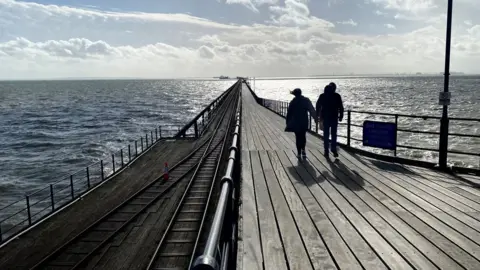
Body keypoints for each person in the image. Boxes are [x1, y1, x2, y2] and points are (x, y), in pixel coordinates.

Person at [286, 88, 317, 158]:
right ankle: (303, 149)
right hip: (304, 121)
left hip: (296, 121)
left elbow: (289, 113)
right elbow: (311, 109)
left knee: (298, 137)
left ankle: (299, 152)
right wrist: (315, 118)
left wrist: (287, 122)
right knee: (303, 136)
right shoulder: (306, 100)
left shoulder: (293, 102)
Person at [316, 82, 344, 158]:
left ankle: (326, 150)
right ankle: (333, 149)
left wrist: (317, 115)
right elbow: (340, 107)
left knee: (326, 134)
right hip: (334, 117)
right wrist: (341, 115)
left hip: (325, 117)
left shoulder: (322, 96)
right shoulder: (337, 96)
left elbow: (318, 105)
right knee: (334, 134)